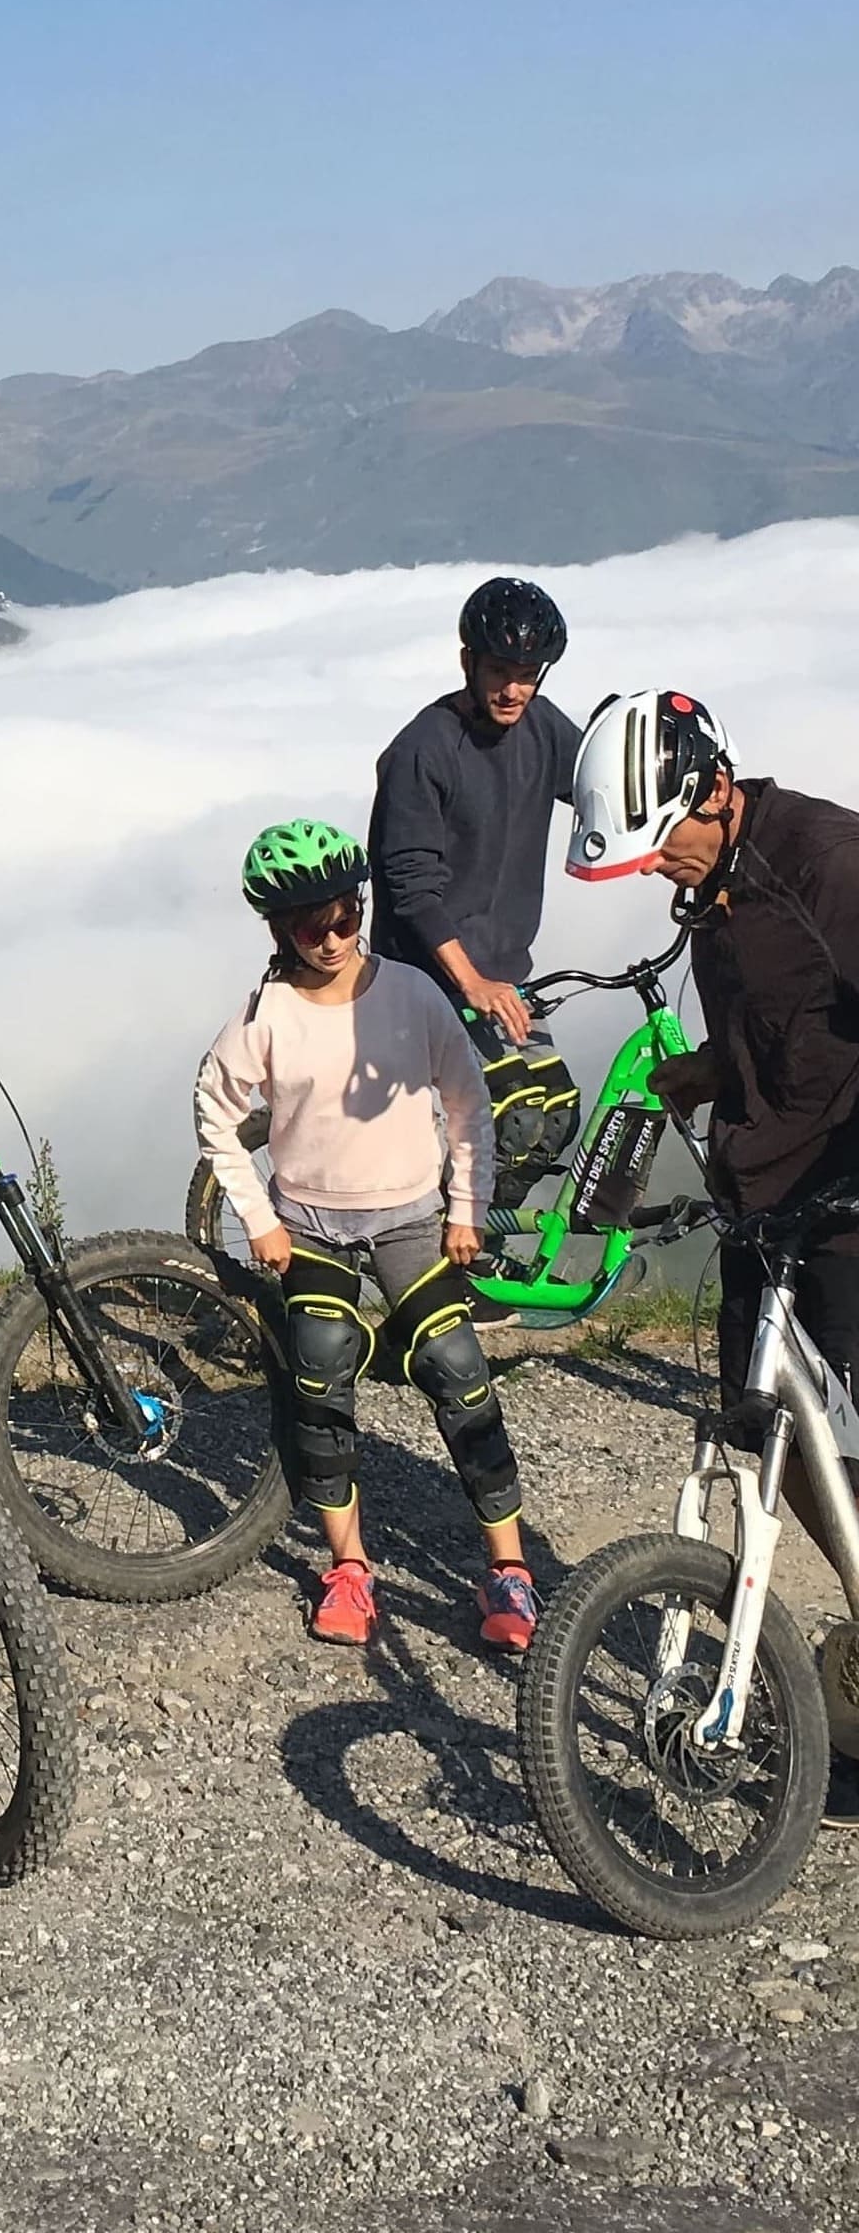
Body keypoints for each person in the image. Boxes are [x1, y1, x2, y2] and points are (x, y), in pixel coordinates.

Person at [569, 689, 859, 1800]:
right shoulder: (721, 885)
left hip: (845, 1221)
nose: (656, 870)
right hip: (763, 1214)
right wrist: (704, 1076)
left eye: (662, 846)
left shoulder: (831, 864)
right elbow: (785, 1036)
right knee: (776, 1432)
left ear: (715, 789)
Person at [193, 820, 538, 1653]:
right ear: (280, 930)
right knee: (320, 1390)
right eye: (312, 924)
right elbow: (214, 1110)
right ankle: (349, 1567)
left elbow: (466, 1102)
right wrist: (260, 1219)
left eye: (346, 913)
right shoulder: (262, 1015)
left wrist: (466, 1207)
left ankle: (511, 1569)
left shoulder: (413, 993)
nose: (335, 936)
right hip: (310, 1223)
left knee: (459, 1378)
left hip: (412, 1217)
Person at [369, 577, 585, 1240]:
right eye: (500, 670)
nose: (514, 689)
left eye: (528, 674)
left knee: (559, 1117)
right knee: (515, 1115)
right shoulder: (423, 751)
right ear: (468, 660)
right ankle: (444, 1255)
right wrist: (473, 983)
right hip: (429, 977)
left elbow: (597, 785)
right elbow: (410, 889)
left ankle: (470, 1232)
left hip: (500, 975)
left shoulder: (542, 728)